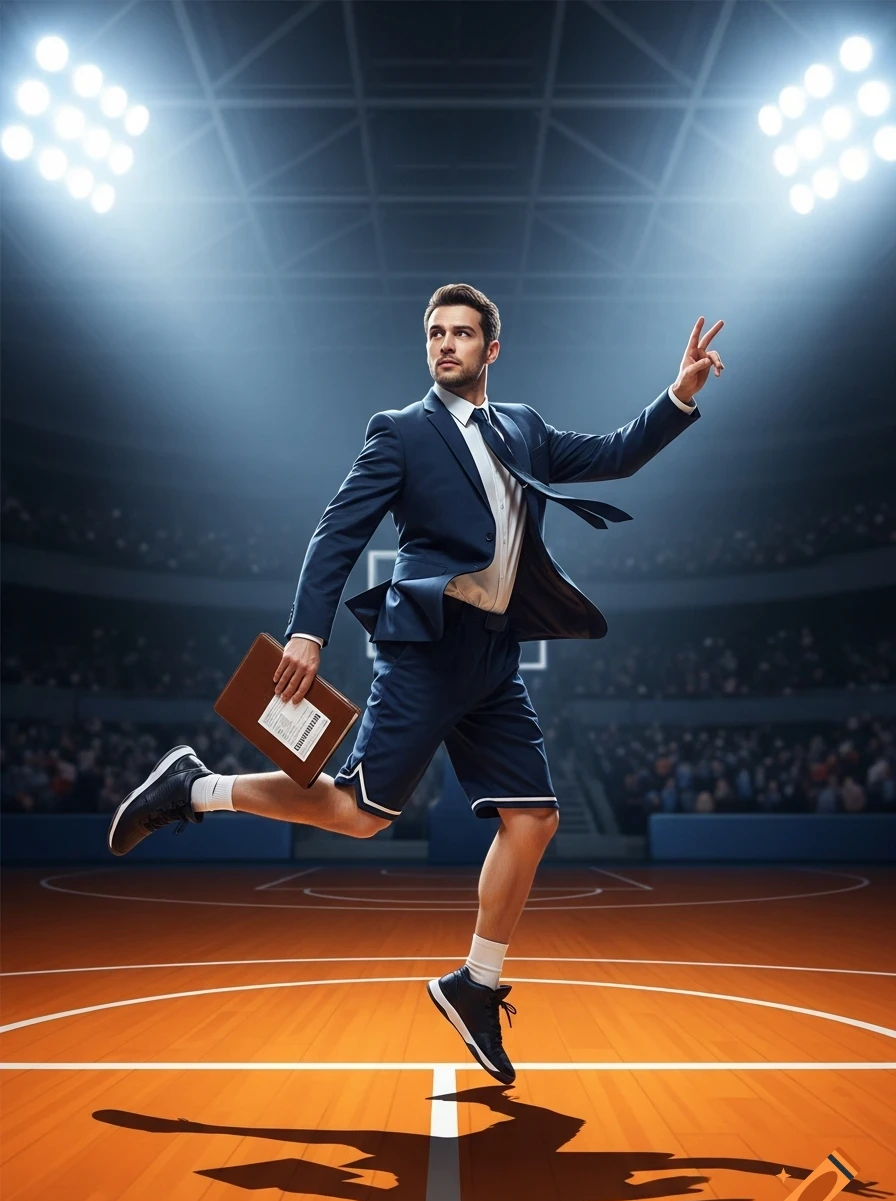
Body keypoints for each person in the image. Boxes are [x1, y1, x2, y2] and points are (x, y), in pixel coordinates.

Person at [107, 283, 725, 1084]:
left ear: (490, 349)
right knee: (362, 814)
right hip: (425, 647)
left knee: (534, 821)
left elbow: (613, 455)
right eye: (435, 333)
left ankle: (476, 985)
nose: (445, 345)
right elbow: (339, 529)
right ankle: (196, 789)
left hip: (495, 657)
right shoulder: (399, 433)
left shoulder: (525, 428)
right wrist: (306, 630)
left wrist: (678, 395)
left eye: (462, 334)